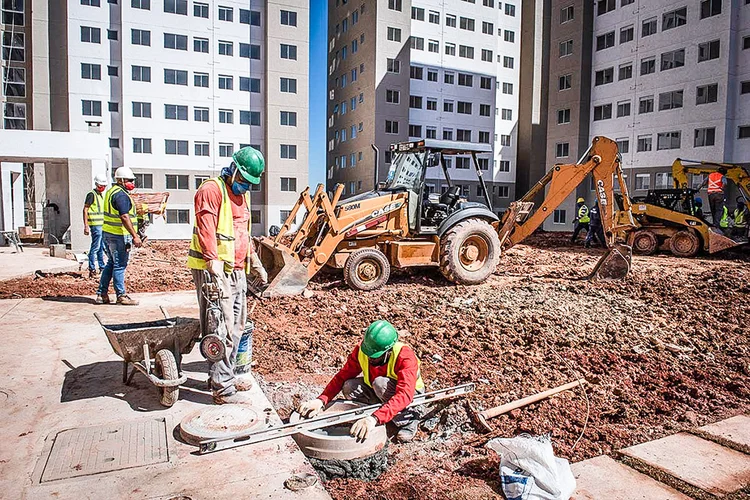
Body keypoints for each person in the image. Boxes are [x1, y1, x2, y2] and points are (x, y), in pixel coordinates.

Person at [187, 146, 268, 405]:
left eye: (249, 183)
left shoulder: (242, 197)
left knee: (237, 328)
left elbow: (241, 232)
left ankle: (227, 376)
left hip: (236, 270)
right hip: (215, 270)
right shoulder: (211, 190)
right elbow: (206, 228)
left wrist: (253, 261)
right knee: (220, 327)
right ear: (233, 170)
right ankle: (221, 388)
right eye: (243, 180)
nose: (245, 186)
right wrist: (213, 262)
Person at [298, 320, 425, 443]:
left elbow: (404, 394)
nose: (370, 359)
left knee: (380, 384)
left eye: (375, 357)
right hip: (380, 390)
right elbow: (342, 376)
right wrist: (321, 400)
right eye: (369, 354)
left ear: (389, 351)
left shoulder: (404, 357)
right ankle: (382, 411)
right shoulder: (363, 350)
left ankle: (409, 420)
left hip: (411, 396)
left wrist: (374, 419)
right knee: (350, 387)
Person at [96, 167, 142, 305]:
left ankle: (102, 294)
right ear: (121, 180)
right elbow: (124, 216)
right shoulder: (121, 195)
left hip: (109, 234)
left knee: (111, 263)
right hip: (119, 235)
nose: (131, 183)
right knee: (120, 265)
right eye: (129, 180)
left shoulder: (111, 191)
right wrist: (135, 235)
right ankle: (121, 295)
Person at [83, 174, 108, 278]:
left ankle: (102, 267)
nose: (103, 188)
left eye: (104, 186)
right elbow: (85, 209)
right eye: (101, 186)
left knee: (101, 247)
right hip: (95, 225)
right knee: (95, 247)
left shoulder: (101, 195)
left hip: (101, 225)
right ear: (97, 185)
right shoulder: (91, 194)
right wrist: (86, 225)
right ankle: (92, 268)